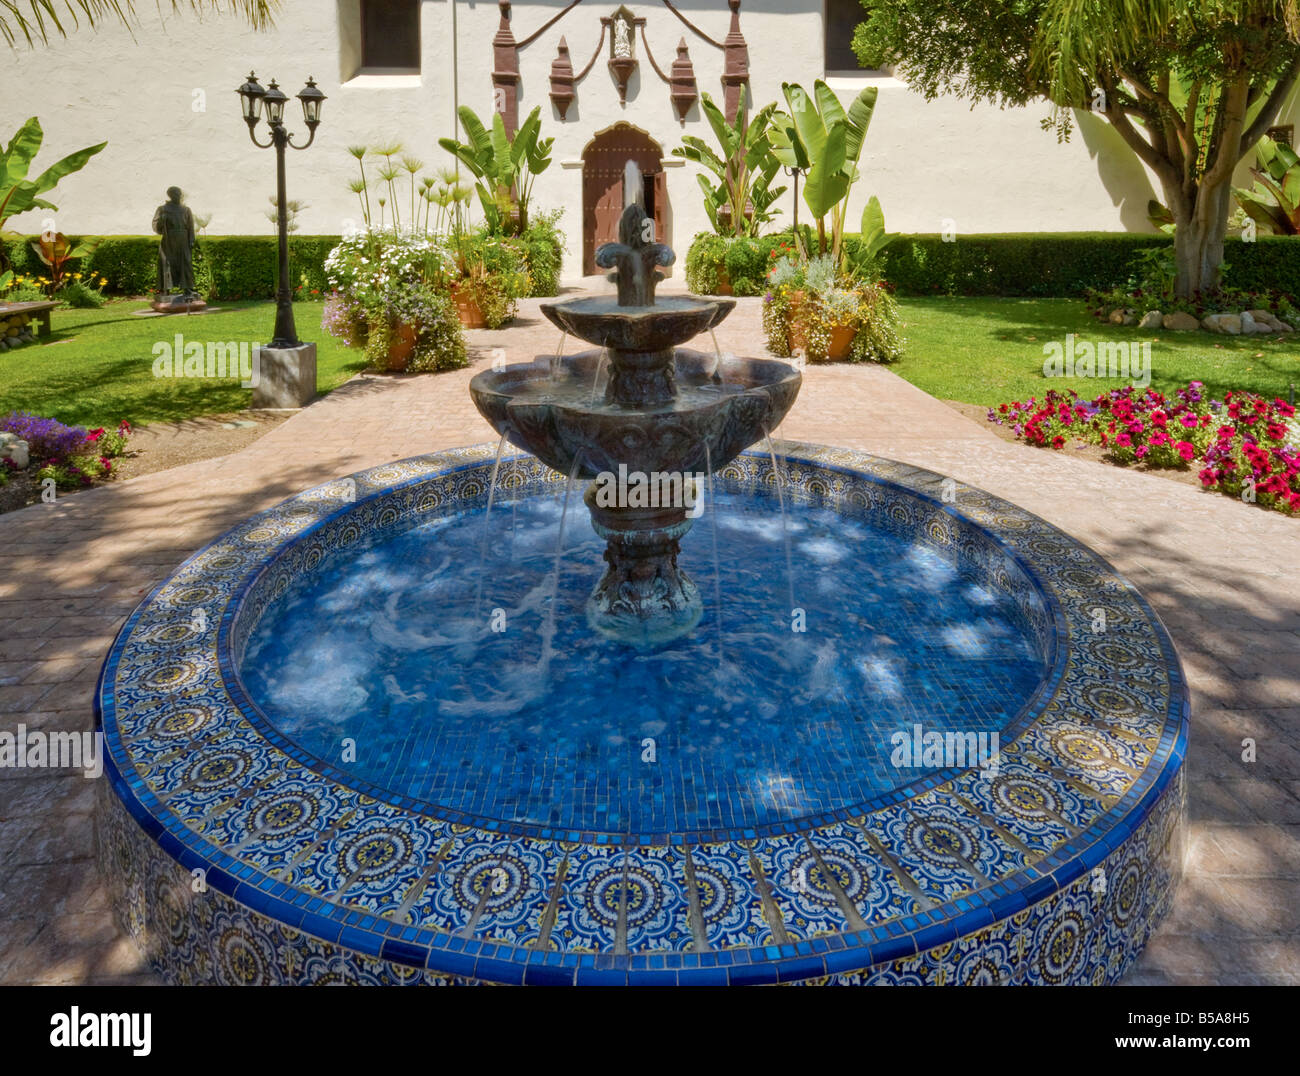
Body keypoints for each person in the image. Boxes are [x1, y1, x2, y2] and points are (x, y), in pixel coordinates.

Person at [153, 187, 196, 296]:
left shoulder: (186, 210)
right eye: (176, 194)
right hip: (169, 240)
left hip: (183, 240)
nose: (179, 196)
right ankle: (165, 288)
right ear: (170, 195)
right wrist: (162, 220)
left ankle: (187, 288)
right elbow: (156, 227)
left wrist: (191, 240)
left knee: (185, 263)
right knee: (167, 263)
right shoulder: (162, 209)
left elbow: (190, 227)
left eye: (179, 194)